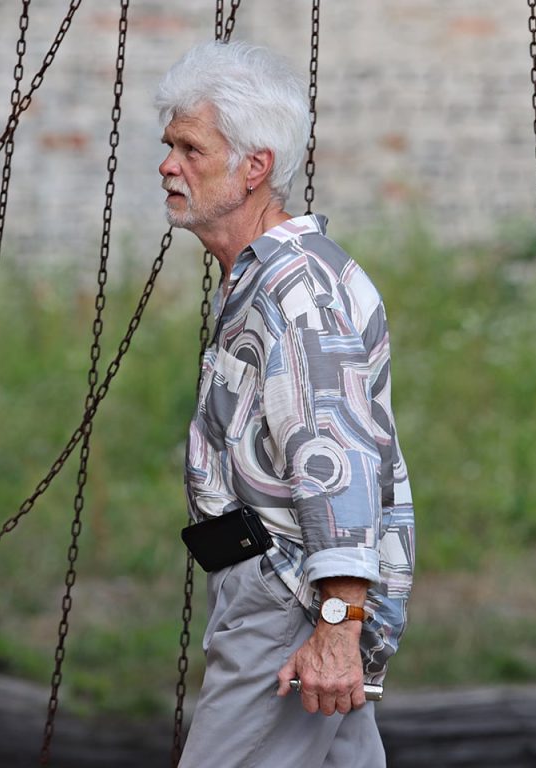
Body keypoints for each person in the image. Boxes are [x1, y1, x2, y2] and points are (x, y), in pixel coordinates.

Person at [157, 41, 415, 768]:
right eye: (168, 146)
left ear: (255, 166)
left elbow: (337, 462)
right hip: (282, 594)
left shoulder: (298, 291)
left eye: (191, 149)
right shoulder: (263, 279)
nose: (168, 166)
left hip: (290, 601)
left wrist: (337, 626)